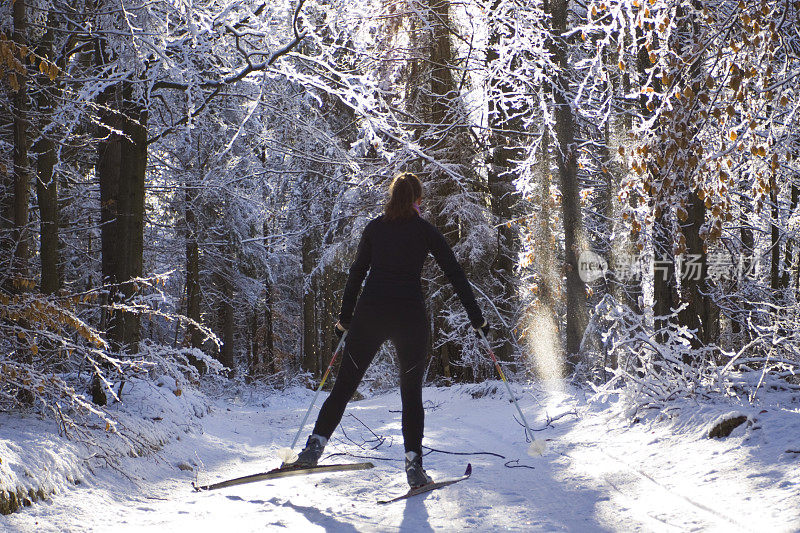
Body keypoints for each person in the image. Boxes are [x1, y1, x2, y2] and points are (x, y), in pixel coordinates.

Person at [289, 172, 488, 488]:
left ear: (392, 197)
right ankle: (413, 465)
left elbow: (356, 274)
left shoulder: (374, 228)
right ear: (418, 201)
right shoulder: (425, 231)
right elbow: (455, 274)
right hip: (409, 319)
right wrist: (477, 318)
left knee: (343, 388)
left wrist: (344, 319)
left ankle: (314, 448)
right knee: (411, 396)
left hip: (370, 315)